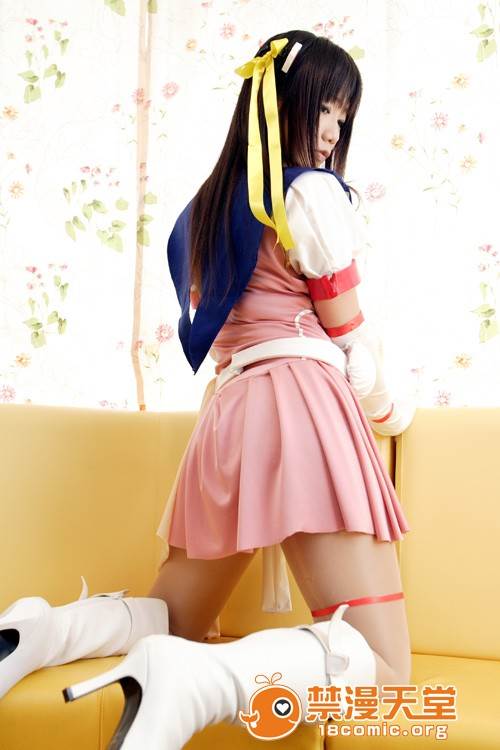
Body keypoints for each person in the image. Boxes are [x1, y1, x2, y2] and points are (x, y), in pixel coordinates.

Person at [0, 30, 416, 749]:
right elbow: (350, 336)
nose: (332, 132)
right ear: (285, 102)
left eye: (343, 117)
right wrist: (390, 409)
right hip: (302, 407)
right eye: (325, 107)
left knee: (175, 618)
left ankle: (42, 631)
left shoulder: (202, 212)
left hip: (227, 417)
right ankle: (198, 681)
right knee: (389, 675)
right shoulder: (311, 193)